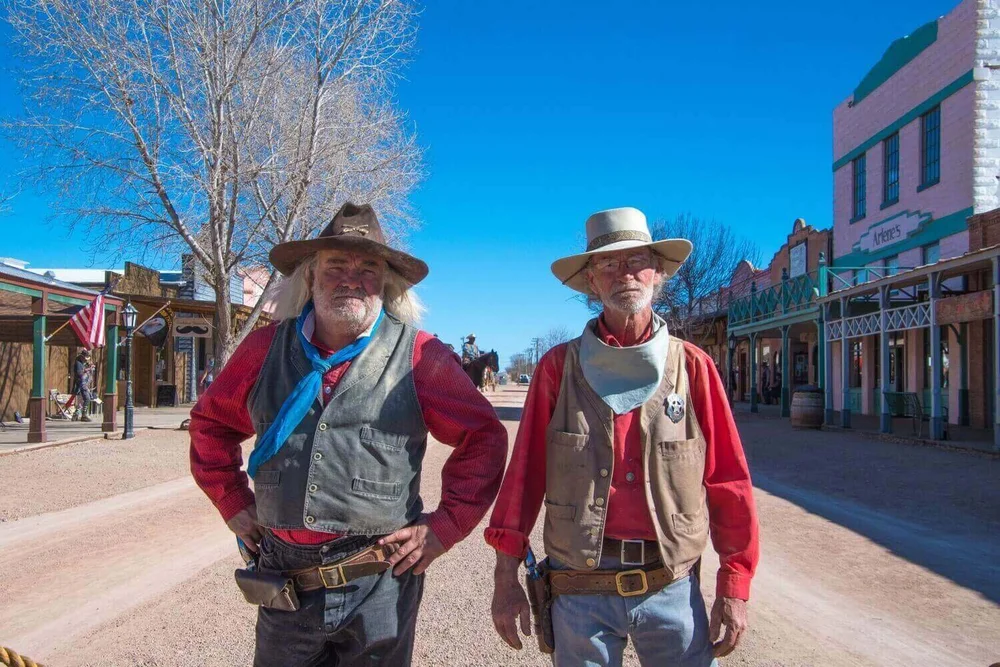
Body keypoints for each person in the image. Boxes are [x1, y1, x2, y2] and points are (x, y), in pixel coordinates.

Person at [189, 202, 508, 666]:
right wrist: (232, 500)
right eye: (336, 264)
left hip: (380, 582)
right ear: (312, 276)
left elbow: (483, 436)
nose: (350, 277)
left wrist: (444, 527)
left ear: (385, 282)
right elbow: (211, 425)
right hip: (284, 581)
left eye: (367, 268)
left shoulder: (422, 355)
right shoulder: (262, 349)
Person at [487, 207, 759, 666]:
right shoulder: (558, 368)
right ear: (591, 282)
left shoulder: (693, 367)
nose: (624, 273)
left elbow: (729, 480)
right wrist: (504, 575)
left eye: (636, 260)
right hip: (578, 591)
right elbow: (525, 474)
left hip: (671, 587)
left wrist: (735, 585)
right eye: (608, 264)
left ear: (657, 273)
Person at [71, 350, 95, 422]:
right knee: (87, 399)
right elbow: (79, 373)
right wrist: (87, 369)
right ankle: (83, 415)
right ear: (82, 357)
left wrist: (90, 367)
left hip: (83, 384)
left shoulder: (83, 363)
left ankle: (76, 414)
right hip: (81, 384)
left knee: (82, 401)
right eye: (85, 358)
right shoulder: (78, 363)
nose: (86, 359)